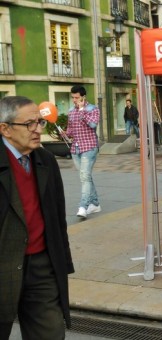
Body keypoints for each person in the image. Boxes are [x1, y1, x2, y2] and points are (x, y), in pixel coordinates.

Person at [0, 96, 75, 339]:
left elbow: (57, 217)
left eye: (40, 123)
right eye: (29, 124)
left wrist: (63, 260)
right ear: (5, 129)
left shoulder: (46, 160)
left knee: (50, 333)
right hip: (3, 265)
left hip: (42, 265)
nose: (37, 130)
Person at [66, 85, 101, 219]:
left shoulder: (92, 109)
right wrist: (65, 133)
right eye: (73, 97)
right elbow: (70, 131)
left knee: (84, 177)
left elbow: (93, 125)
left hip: (89, 147)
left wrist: (81, 111)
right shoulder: (70, 111)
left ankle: (83, 206)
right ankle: (96, 204)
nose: (74, 100)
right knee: (85, 177)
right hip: (76, 148)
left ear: (83, 97)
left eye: (77, 97)